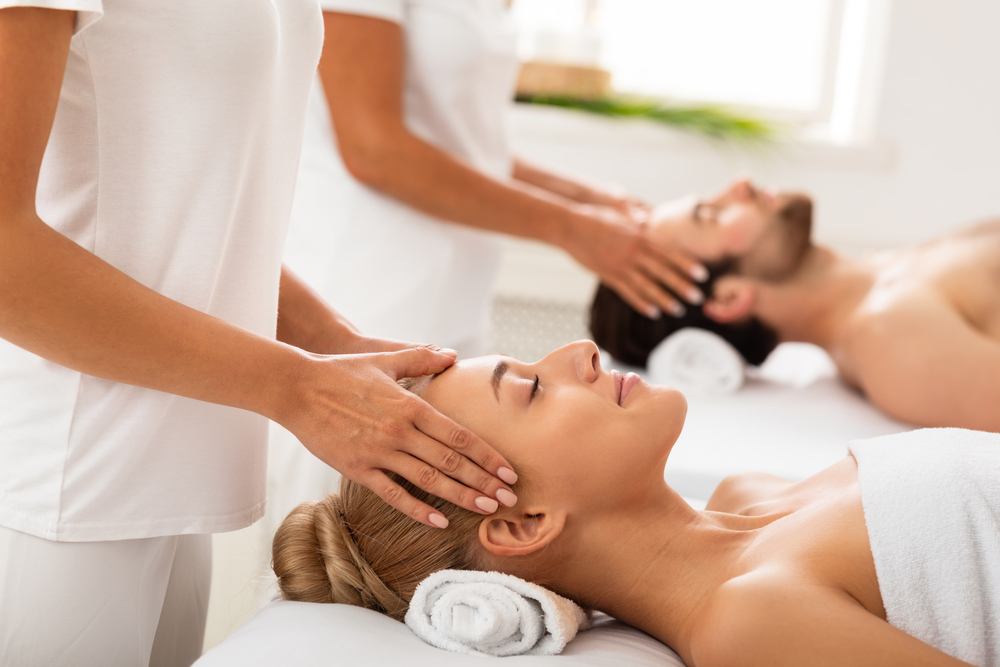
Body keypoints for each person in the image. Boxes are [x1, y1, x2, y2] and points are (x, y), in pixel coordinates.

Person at [0, 4, 518, 664]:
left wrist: (329, 340)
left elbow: (184, 204)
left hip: (173, 470)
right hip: (61, 472)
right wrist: (298, 387)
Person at [272, 340, 999, 667]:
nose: (579, 352)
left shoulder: (749, 494)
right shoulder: (745, 622)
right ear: (524, 522)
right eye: (529, 388)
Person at [285, 0, 707, 359]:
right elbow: (375, 150)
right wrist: (572, 226)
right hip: (364, 290)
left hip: (458, 295)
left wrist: (592, 198)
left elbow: (466, 141)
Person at [590, 178, 1000, 432]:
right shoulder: (891, 339)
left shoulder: (887, 277)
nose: (741, 184)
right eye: (712, 214)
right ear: (729, 298)